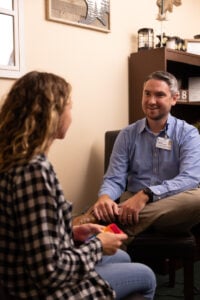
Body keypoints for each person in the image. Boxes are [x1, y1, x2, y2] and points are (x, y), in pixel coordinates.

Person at [0, 71, 156, 300]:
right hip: (41, 290)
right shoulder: (33, 171)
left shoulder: (15, 158)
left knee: (122, 257)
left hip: (25, 272)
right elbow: (48, 272)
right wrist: (98, 246)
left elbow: (31, 236)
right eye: (69, 107)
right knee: (147, 276)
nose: (71, 116)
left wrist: (71, 233)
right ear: (51, 114)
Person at [90, 70, 200, 242]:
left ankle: (118, 222)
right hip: (131, 201)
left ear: (174, 98)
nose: (151, 101)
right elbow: (114, 178)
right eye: (147, 94)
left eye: (159, 95)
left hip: (172, 205)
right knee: (123, 201)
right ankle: (127, 221)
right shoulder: (127, 134)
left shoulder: (188, 134)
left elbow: (190, 178)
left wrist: (147, 195)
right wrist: (105, 198)